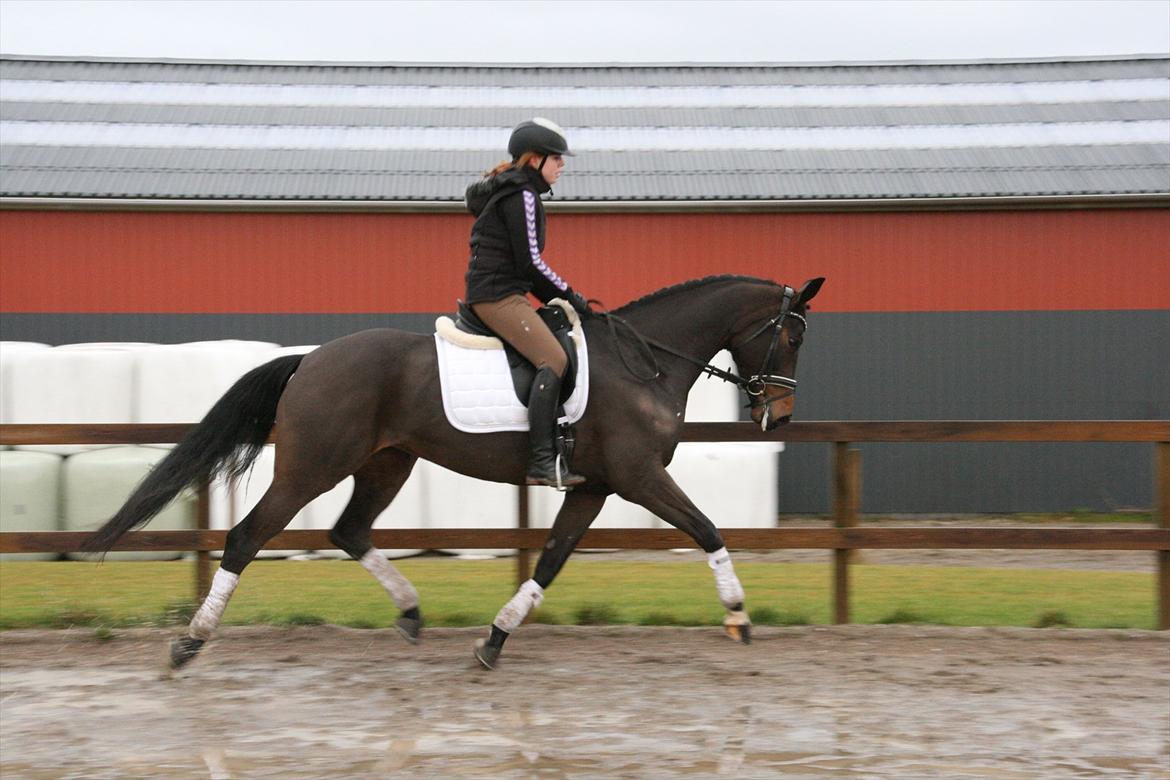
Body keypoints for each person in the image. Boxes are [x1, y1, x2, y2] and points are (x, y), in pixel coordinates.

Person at [464, 117, 592, 488]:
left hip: (502, 292)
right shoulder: (522, 195)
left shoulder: (517, 192)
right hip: (498, 296)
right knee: (554, 358)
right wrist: (571, 295)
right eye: (556, 158)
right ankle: (541, 462)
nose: (562, 165)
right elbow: (531, 262)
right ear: (535, 160)